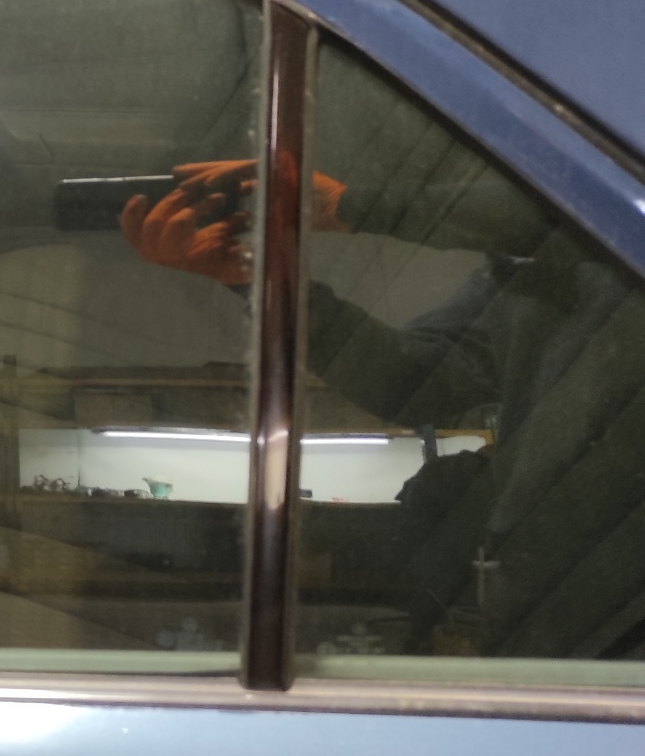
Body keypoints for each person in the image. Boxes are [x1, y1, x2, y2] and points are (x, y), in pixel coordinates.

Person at [119, 158, 645, 658]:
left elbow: (579, 213)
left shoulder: (604, 235)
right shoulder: (534, 275)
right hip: (554, 596)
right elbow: (414, 382)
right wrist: (257, 281)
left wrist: (349, 205)